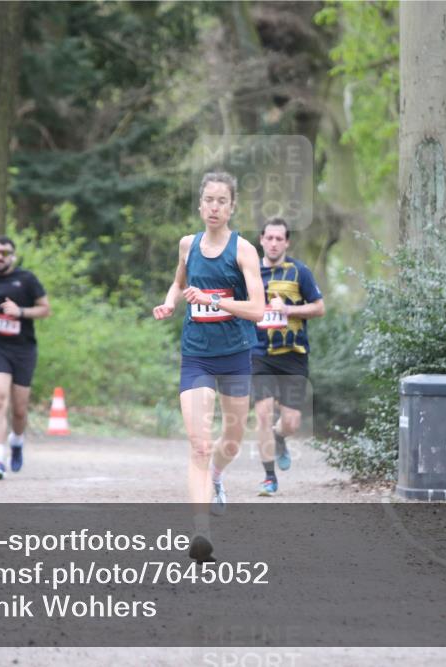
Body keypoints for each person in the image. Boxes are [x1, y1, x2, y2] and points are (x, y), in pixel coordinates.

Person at [153, 171, 264, 562]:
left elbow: (258, 309)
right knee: (200, 443)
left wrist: (216, 301)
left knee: (231, 439)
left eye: (222, 201)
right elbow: (178, 282)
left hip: (234, 354)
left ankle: (217, 476)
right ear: (200, 205)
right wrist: (171, 302)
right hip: (196, 354)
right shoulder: (188, 245)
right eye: (209, 200)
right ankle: (201, 532)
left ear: (232, 207)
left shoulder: (243, 250)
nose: (214, 207)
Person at [251, 218, 324, 496]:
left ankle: (279, 437)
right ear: (261, 239)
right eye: (269, 238)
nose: (273, 243)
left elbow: (319, 307)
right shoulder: (250, 273)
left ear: (287, 242)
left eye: (279, 239)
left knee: (291, 423)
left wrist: (289, 311)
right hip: (259, 353)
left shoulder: (299, 272)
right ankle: (269, 477)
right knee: (263, 414)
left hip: (293, 355)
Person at [0, 236, 50, 480]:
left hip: (23, 350)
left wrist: (20, 311)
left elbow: (45, 309)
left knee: (20, 410)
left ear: (13, 256)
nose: (0, 257)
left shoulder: (27, 279)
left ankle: (17, 441)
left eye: (4, 253)